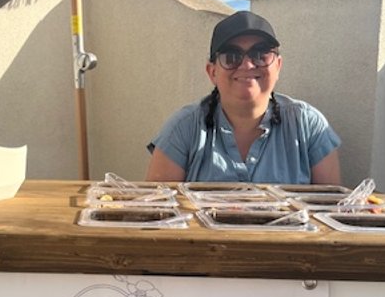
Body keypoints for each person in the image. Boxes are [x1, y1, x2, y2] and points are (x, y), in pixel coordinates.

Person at [146, 10, 341, 184]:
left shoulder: (308, 125)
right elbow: (160, 213)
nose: (247, 65)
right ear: (212, 72)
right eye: (232, 56)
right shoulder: (183, 128)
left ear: (278, 66)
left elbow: (329, 209)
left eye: (260, 54)